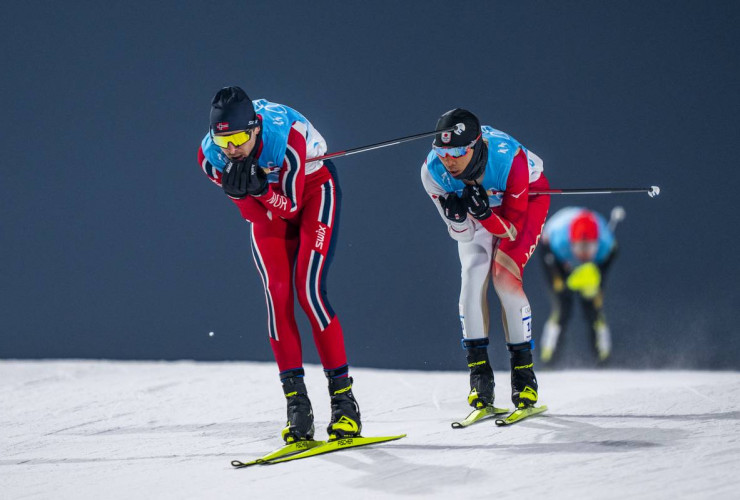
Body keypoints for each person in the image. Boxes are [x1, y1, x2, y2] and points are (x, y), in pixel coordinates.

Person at [196, 86, 361, 443]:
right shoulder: (212, 156)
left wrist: (261, 190)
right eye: (224, 140)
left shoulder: (284, 138)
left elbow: (292, 205)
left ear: (255, 128)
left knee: (308, 291)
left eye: (239, 138)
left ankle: (344, 402)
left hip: (312, 190)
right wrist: (243, 194)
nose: (232, 149)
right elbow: (257, 216)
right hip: (267, 203)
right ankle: (298, 407)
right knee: (277, 294)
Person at [420, 108, 550, 413]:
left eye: (456, 152)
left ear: (475, 145)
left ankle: (523, 377)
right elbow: (463, 236)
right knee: (472, 274)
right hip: (484, 209)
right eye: (442, 151)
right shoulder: (432, 172)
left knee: (504, 278)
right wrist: (458, 219)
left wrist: (484, 215)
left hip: (525, 200)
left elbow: (512, 228)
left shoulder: (511, 160)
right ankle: (480, 377)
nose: (448, 160)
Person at [539, 207, 619, 363]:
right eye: (580, 247)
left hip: (591, 266)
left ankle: (603, 356)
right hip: (557, 259)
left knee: (593, 308)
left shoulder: (606, 245)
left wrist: (599, 283)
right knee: (562, 306)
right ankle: (549, 357)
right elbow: (546, 253)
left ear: (597, 244)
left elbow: (610, 257)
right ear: (571, 243)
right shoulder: (558, 241)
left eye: (589, 247)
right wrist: (559, 280)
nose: (584, 253)